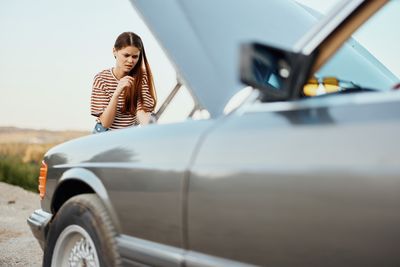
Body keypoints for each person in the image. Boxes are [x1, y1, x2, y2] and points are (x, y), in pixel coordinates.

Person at [91, 32, 157, 132]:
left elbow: (142, 112)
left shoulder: (141, 77)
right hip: (104, 134)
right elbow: (105, 123)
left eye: (135, 57)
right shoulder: (101, 79)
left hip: (127, 135)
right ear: (114, 51)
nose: (130, 61)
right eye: (126, 55)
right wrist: (117, 93)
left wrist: (150, 125)